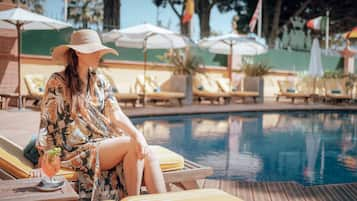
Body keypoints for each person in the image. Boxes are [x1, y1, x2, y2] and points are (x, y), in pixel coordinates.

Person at [35, 29, 166, 200]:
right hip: (75, 150)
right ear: (78, 53)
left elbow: (116, 113)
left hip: (102, 142)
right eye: (94, 50)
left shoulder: (99, 81)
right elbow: (47, 124)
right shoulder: (57, 81)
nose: (99, 54)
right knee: (132, 144)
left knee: (147, 153)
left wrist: (138, 134)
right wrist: (45, 160)